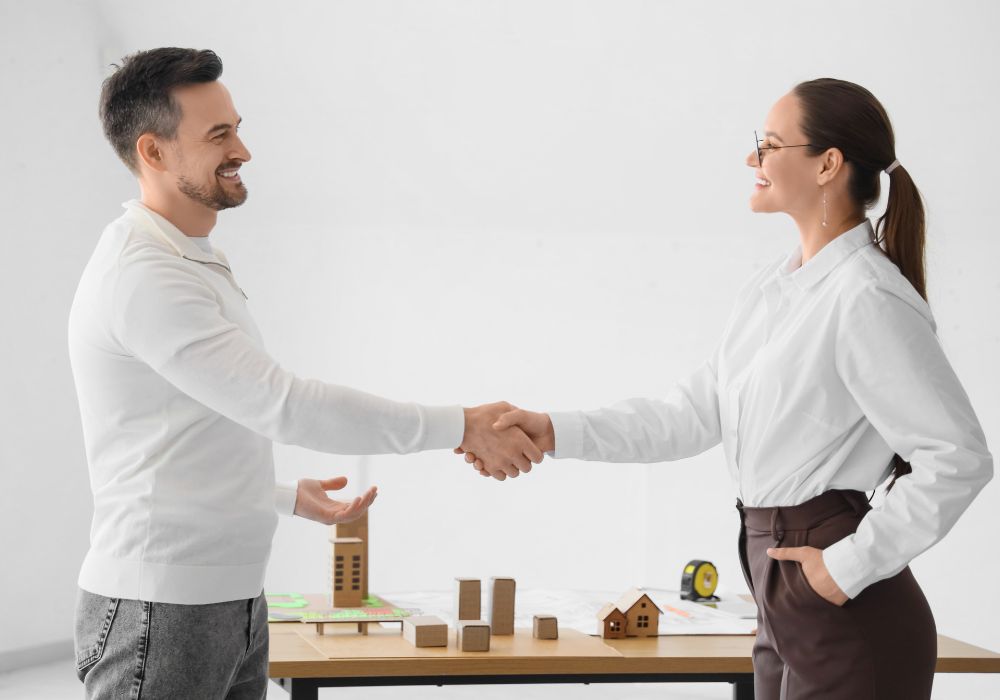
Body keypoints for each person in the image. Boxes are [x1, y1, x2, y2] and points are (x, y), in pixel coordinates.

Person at [460, 78, 994, 699]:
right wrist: (554, 430)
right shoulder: (773, 290)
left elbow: (958, 458)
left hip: (842, 607)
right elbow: (691, 412)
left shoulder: (866, 298)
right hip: (780, 593)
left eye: (768, 145)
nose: (752, 160)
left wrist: (844, 568)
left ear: (827, 164)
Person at [69, 47, 541, 699]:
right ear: (153, 152)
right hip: (162, 611)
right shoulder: (145, 275)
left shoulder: (194, 260)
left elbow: (186, 434)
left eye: (237, 126)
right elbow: (284, 405)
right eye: (219, 134)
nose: (244, 149)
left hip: (227, 600)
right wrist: (463, 425)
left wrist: (283, 495)